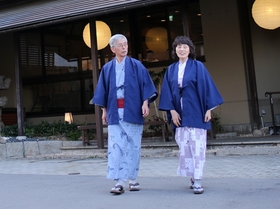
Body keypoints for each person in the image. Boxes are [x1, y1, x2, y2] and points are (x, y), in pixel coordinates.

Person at [93, 34, 157, 195]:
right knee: (116, 147)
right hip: (115, 111)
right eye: (120, 45)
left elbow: (146, 86)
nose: (124, 47)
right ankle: (119, 181)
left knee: (133, 146)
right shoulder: (107, 68)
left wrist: (145, 102)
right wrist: (104, 110)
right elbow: (103, 91)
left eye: (125, 44)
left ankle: (132, 179)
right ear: (112, 48)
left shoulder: (137, 65)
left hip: (133, 110)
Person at [159, 35, 224, 195]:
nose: (181, 49)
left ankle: (198, 180)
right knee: (184, 145)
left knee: (198, 146)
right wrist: (172, 111)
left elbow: (207, 87)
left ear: (190, 50)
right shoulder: (171, 69)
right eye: (178, 47)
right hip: (178, 112)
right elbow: (167, 91)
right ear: (175, 50)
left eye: (185, 47)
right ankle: (192, 176)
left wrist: (208, 108)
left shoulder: (198, 66)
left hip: (196, 110)